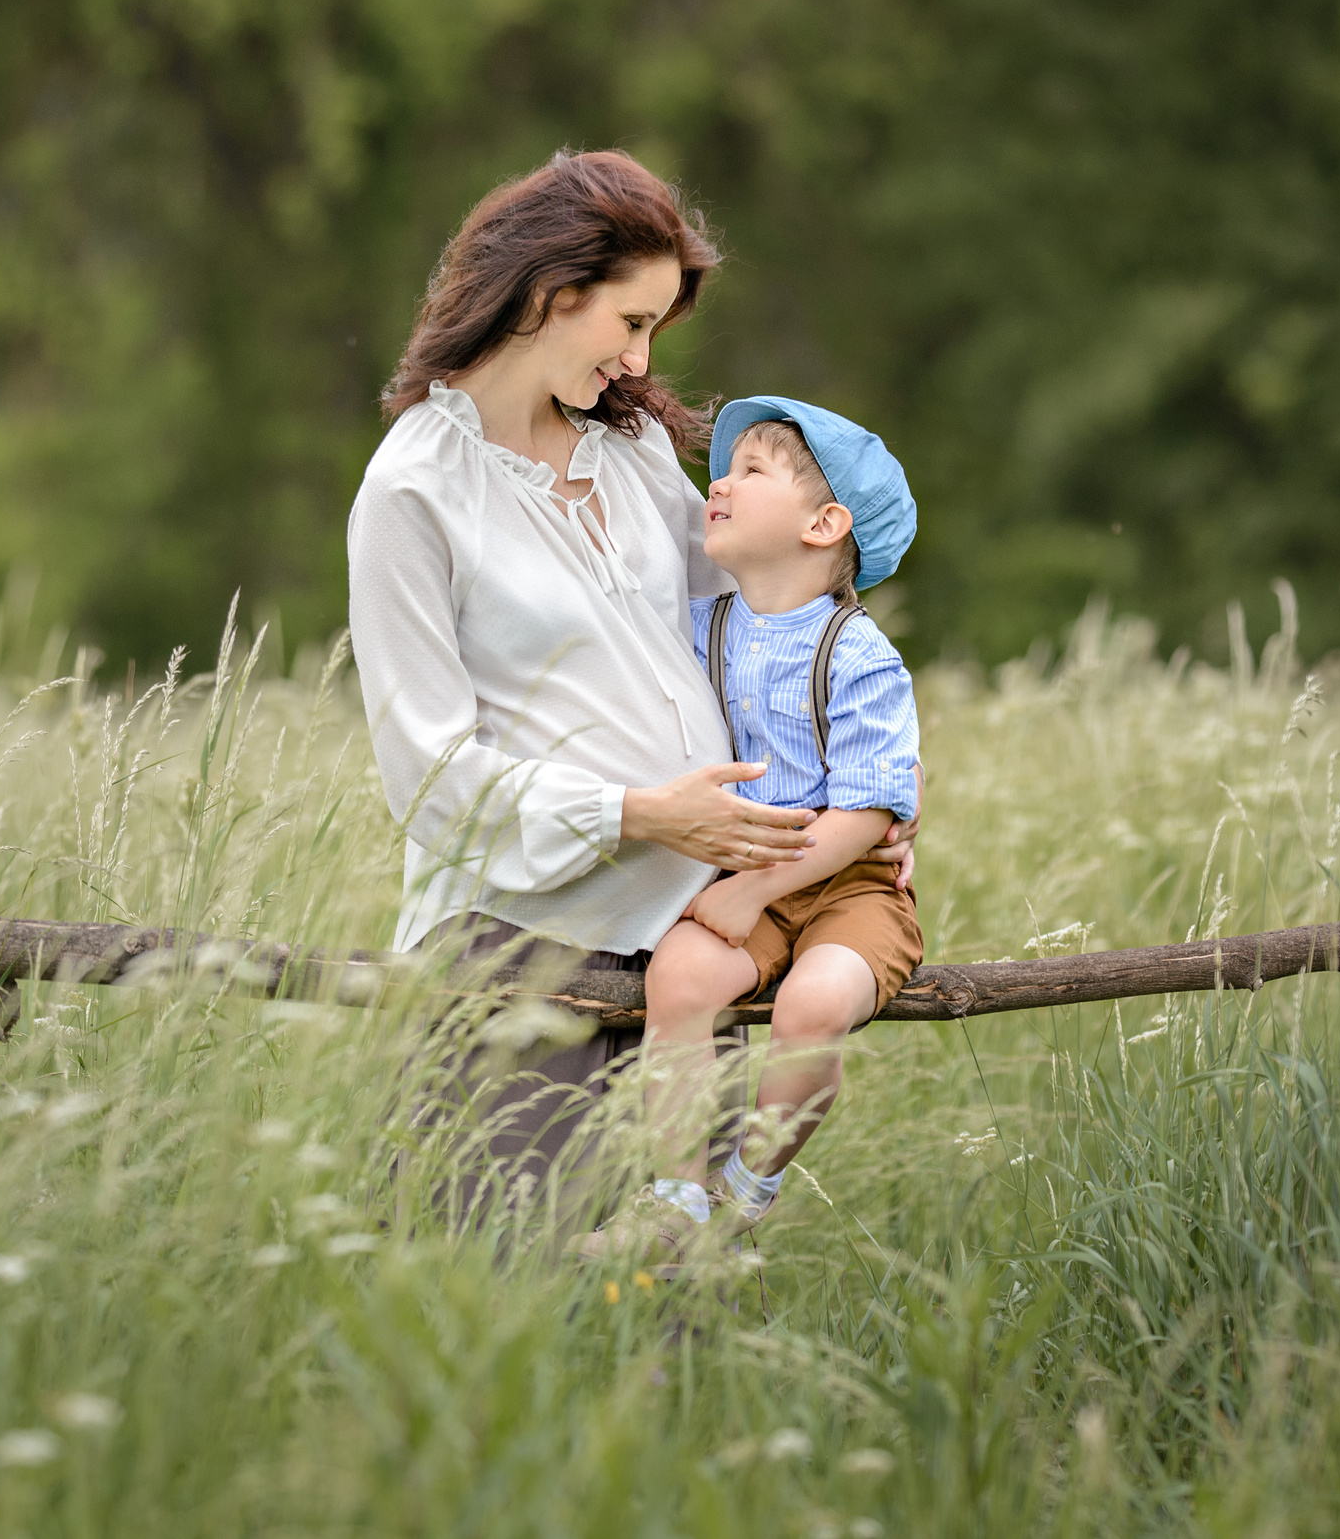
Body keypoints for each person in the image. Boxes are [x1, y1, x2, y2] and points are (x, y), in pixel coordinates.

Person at [346, 150, 915, 1226]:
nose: (642, 357)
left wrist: (862, 804)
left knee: (667, 1299)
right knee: (512, 1280)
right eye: (631, 321)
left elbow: (758, 635)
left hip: (692, 938)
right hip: (521, 939)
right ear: (551, 294)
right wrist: (638, 811)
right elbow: (424, 773)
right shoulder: (414, 486)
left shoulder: (636, 448)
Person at [573, 398, 921, 1263]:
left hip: (848, 886)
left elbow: (870, 810)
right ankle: (677, 1193)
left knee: (815, 1001)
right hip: (747, 881)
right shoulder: (703, 628)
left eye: (751, 470)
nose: (717, 482)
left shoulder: (856, 650)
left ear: (824, 522)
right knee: (682, 978)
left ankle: (747, 1187)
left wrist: (756, 888)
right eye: (722, 469)